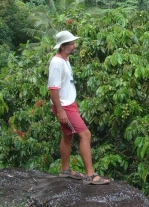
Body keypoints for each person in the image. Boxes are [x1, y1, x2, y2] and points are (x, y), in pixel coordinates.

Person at [48, 30, 111, 185]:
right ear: (63, 46)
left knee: (67, 136)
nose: (74, 46)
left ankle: (65, 170)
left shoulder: (65, 59)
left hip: (69, 104)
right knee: (85, 135)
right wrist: (61, 110)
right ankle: (91, 175)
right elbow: (52, 88)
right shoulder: (57, 63)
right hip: (65, 106)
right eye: (71, 43)